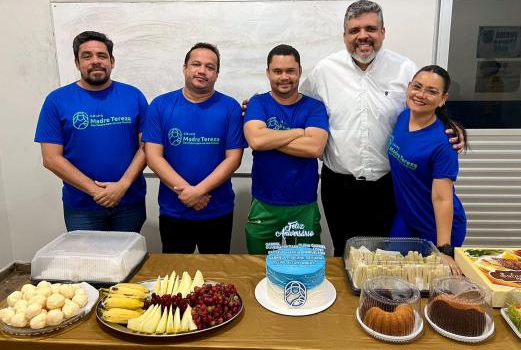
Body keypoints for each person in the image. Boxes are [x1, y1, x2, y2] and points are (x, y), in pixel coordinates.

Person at [301, 0, 464, 256]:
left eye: (370, 28)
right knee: (343, 254)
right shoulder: (324, 70)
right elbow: (298, 106)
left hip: (388, 187)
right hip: (339, 185)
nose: (362, 36)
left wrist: (450, 125)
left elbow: (423, 105)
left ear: (382, 32)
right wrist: (258, 108)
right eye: (354, 30)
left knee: (386, 259)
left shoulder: (405, 69)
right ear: (344, 36)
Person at [35, 31, 148, 232]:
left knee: (128, 260)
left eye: (101, 56)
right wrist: (97, 191)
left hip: (129, 201)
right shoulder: (57, 100)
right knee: (88, 262)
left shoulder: (134, 96)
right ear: (77, 63)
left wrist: (122, 186)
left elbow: (147, 147)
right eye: (87, 56)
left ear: (112, 61)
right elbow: (51, 158)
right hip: (81, 207)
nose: (95, 61)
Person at [142, 42, 246, 254]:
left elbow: (234, 158)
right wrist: (188, 194)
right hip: (174, 210)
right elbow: (153, 157)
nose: (202, 71)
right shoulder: (160, 105)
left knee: (216, 277)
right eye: (196, 64)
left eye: (210, 67)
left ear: (217, 74)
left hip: (218, 210)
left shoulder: (230, 107)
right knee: (176, 279)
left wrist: (198, 192)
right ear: (185, 68)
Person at [243, 45, 329, 254]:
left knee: (305, 271)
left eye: (290, 71)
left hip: (303, 205)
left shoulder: (314, 107)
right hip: (264, 203)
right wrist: (299, 131)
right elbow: (256, 140)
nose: (284, 77)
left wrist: (270, 135)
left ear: (299, 71)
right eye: (277, 71)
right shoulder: (257, 102)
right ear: (268, 73)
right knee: (258, 268)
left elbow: (314, 148)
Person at [388, 65, 468, 255]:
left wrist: (444, 249)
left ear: (443, 99)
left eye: (432, 92)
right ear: (408, 87)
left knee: (429, 282)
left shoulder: (443, 143)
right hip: (407, 217)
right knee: (390, 272)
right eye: (417, 87)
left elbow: (442, 199)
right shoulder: (403, 116)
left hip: (435, 225)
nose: (421, 95)